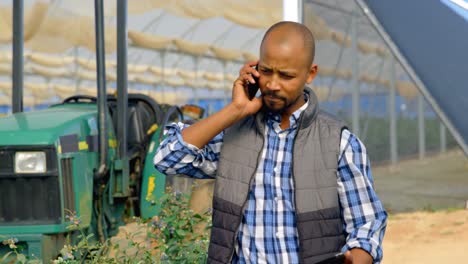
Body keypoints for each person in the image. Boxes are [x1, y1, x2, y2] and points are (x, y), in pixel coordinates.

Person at [154, 21, 387, 264]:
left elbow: (366, 224)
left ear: (311, 73)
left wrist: (357, 258)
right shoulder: (234, 135)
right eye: (266, 71)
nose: (273, 85)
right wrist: (235, 109)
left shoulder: (338, 142)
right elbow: (167, 159)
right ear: (255, 68)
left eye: (286, 76)